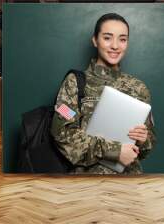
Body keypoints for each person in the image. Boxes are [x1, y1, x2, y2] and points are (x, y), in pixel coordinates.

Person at [50, 13, 156, 174]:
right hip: (86, 183)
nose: (115, 46)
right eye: (107, 38)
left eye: (122, 39)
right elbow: (62, 134)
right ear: (95, 40)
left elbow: (148, 147)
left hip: (129, 182)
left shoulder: (139, 88)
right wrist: (115, 151)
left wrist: (143, 139)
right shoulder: (75, 82)